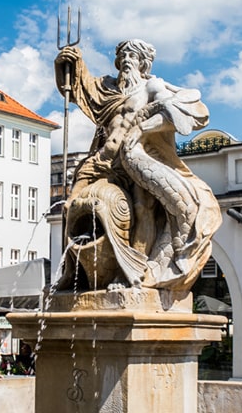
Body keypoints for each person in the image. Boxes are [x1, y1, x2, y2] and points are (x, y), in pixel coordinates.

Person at [54, 39, 221, 291]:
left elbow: (178, 113)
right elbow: (78, 87)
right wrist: (67, 63)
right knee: (70, 207)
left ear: (143, 62)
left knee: (142, 209)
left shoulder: (152, 86)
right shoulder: (108, 89)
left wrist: (143, 128)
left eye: (132, 56)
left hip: (132, 159)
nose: (126, 60)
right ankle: (71, 273)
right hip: (101, 159)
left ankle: (133, 273)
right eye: (122, 56)